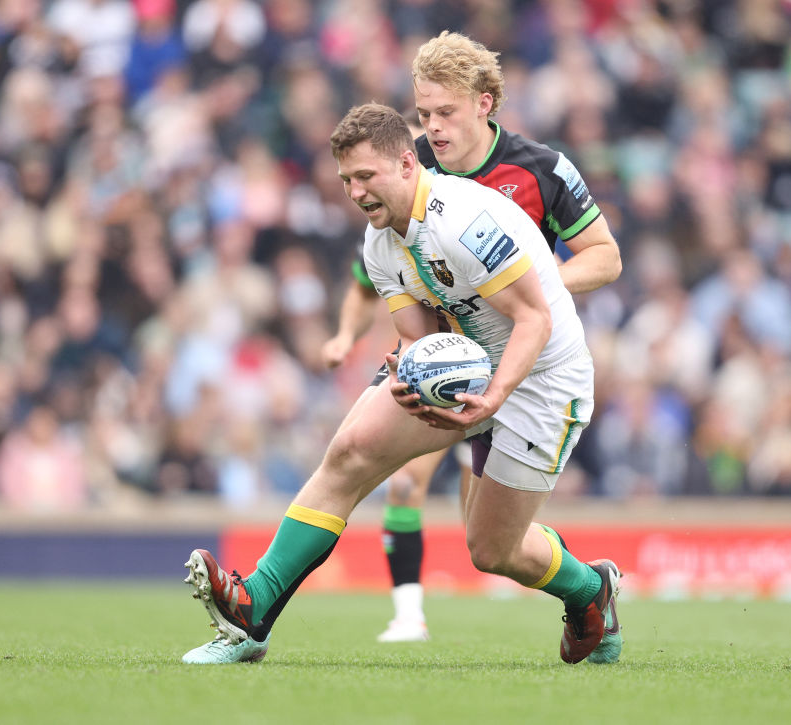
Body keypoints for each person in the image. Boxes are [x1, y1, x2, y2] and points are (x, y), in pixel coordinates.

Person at [180, 102, 622, 667]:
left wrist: (492, 398)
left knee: (492, 550)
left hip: (542, 380)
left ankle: (591, 590)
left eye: (367, 176)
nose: (356, 192)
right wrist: (409, 376)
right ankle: (252, 610)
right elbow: (416, 335)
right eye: (346, 180)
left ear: (408, 165)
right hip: (470, 366)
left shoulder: (463, 223)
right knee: (349, 451)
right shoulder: (379, 242)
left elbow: (536, 320)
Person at [321, 30, 622, 644]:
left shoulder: (541, 169)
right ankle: (407, 616)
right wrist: (348, 334)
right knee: (398, 478)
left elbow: (606, 257)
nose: (430, 128)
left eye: (444, 113)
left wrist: (532, 285)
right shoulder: (407, 168)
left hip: (524, 359)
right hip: (440, 357)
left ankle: (587, 586)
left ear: (484, 103)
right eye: (423, 113)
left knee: (486, 544)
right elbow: (370, 271)